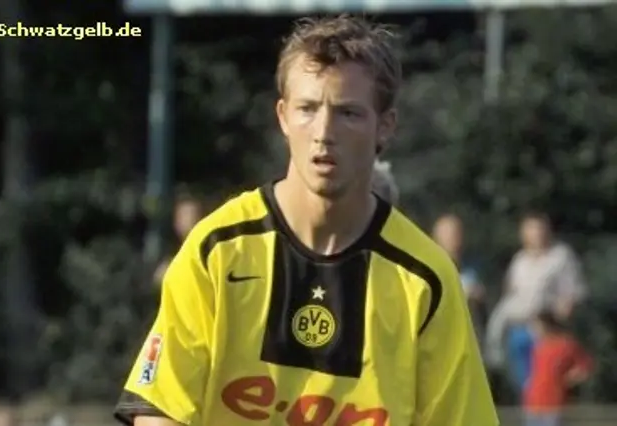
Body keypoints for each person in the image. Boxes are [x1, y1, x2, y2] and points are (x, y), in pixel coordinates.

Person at [114, 15, 497, 426]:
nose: (324, 131)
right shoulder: (218, 249)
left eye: (348, 113)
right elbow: (158, 410)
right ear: (282, 116)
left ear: (385, 127)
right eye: (307, 109)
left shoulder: (426, 279)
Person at [486, 211, 586, 396]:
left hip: (547, 330)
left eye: (539, 229)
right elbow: (510, 291)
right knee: (525, 385)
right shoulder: (520, 260)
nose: (536, 234)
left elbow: (573, 293)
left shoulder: (561, 257)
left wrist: (560, 316)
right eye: (530, 229)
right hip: (519, 329)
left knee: (546, 383)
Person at [523, 310, 592, 426]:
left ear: (547, 325)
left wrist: (569, 379)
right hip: (533, 403)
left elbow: (585, 367)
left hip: (554, 403)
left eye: (536, 326)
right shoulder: (537, 347)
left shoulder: (565, 344)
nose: (533, 330)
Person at [432, 213, 487, 347]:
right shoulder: (430, 271)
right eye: (448, 234)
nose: (454, 238)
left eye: (457, 232)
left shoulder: (472, 269)